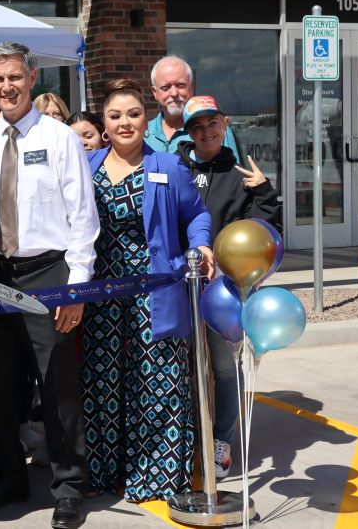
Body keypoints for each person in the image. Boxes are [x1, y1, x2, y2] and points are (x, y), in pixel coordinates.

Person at [0, 42, 101, 529]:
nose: (6, 87)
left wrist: (76, 288)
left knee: (58, 385)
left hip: (49, 274)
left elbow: (83, 215)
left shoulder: (59, 137)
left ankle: (68, 487)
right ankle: (6, 478)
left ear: (32, 76)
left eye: (14, 77)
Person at [82, 78, 213, 503]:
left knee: (157, 382)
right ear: (103, 123)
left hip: (154, 293)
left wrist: (202, 244)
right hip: (102, 295)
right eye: (115, 115)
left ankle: (155, 473)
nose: (125, 123)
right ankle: (107, 470)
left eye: (134, 114)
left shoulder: (168, 165)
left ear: (146, 118)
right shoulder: (87, 167)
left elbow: (196, 214)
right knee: (104, 381)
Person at [175, 95, 279, 480]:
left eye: (212, 123)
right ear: (187, 133)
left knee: (223, 366)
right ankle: (186, 439)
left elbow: (263, 232)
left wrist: (264, 191)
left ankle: (221, 443)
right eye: (197, 126)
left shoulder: (241, 174)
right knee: (183, 365)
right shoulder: (176, 167)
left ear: (226, 122)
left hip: (224, 290)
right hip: (181, 284)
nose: (206, 131)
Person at [144, 56, 240, 156]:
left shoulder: (216, 130)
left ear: (192, 87)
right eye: (165, 87)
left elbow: (232, 170)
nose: (174, 93)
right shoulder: (143, 133)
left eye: (180, 85)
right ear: (155, 92)